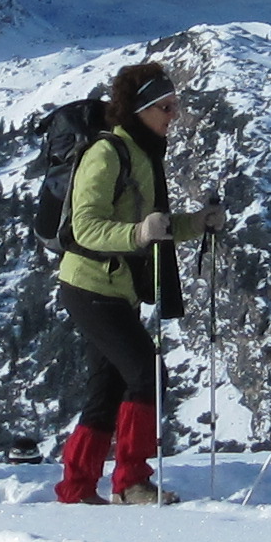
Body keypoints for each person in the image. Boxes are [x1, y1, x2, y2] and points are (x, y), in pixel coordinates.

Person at [54, 62, 186, 505]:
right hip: (91, 284)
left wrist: (198, 224)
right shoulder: (108, 153)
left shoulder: (145, 153)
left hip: (114, 287)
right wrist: (137, 234)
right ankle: (131, 481)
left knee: (106, 390)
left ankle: (76, 488)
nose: (173, 115)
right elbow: (84, 226)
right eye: (165, 107)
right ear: (142, 109)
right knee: (147, 374)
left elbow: (154, 225)